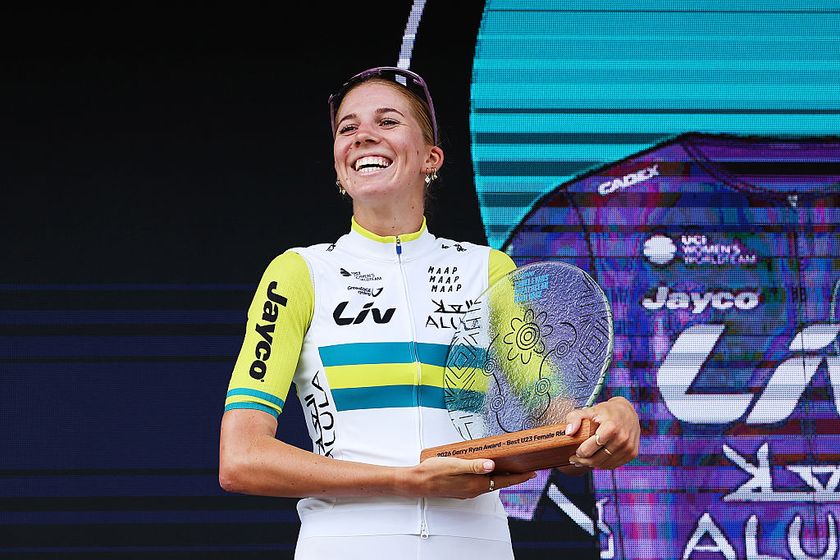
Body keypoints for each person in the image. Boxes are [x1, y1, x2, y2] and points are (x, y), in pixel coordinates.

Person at [218, 66, 640, 559]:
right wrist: (406, 481)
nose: (363, 136)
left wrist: (607, 423)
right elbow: (242, 458)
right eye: (347, 128)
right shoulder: (298, 272)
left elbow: (554, 429)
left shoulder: (490, 270)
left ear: (430, 157)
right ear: (337, 165)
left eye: (388, 121)